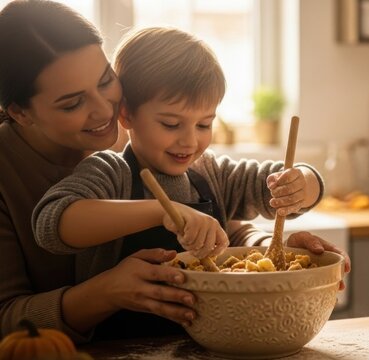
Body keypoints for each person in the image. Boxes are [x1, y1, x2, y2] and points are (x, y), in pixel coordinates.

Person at [0, 0, 347, 343]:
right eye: (73, 102)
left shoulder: (179, 151)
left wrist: (277, 242)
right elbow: (51, 225)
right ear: (19, 112)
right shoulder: (112, 166)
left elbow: (231, 223)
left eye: (106, 80)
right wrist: (156, 219)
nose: (105, 108)